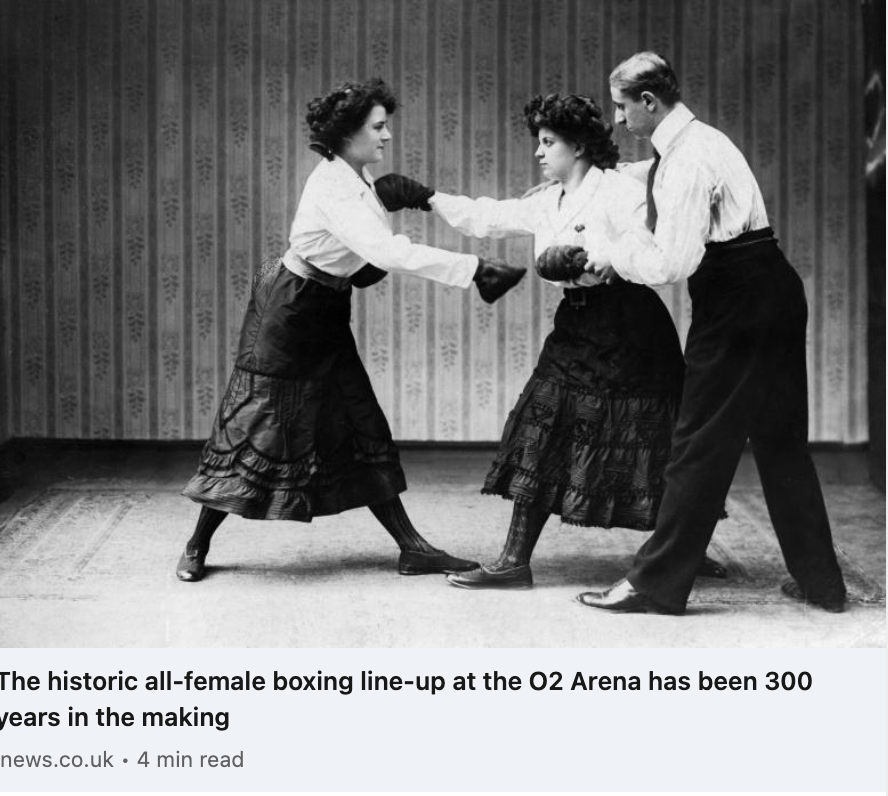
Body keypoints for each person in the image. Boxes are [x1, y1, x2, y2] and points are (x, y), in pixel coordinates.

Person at [177, 78, 526, 582]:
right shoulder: (332, 187)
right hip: (289, 310)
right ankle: (196, 544)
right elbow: (382, 252)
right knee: (257, 425)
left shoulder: (355, 178)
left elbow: (359, 261)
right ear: (347, 133)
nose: (387, 136)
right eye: (378, 127)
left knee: (360, 419)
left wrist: (393, 199)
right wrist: (475, 269)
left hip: (325, 306)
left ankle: (413, 548)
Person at [375, 93, 726, 589]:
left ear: (577, 146)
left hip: (631, 324)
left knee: (656, 438)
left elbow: (645, 243)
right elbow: (487, 217)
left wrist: (587, 256)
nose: (539, 152)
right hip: (577, 324)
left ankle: (684, 548)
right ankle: (514, 561)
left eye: (548, 142)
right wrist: (426, 197)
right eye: (538, 142)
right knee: (544, 428)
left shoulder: (618, 190)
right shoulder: (547, 199)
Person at [572, 52, 846, 614]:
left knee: (697, 440)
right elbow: (648, 179)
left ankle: (654, 585)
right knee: (781, 442)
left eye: (622, 107)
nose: (618, 119)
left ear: (649, 101)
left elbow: (671, 263)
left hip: (736, 301)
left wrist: (613, 254)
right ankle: (823, 584)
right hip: (772, 289)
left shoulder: (687, 160)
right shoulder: (699, 141)